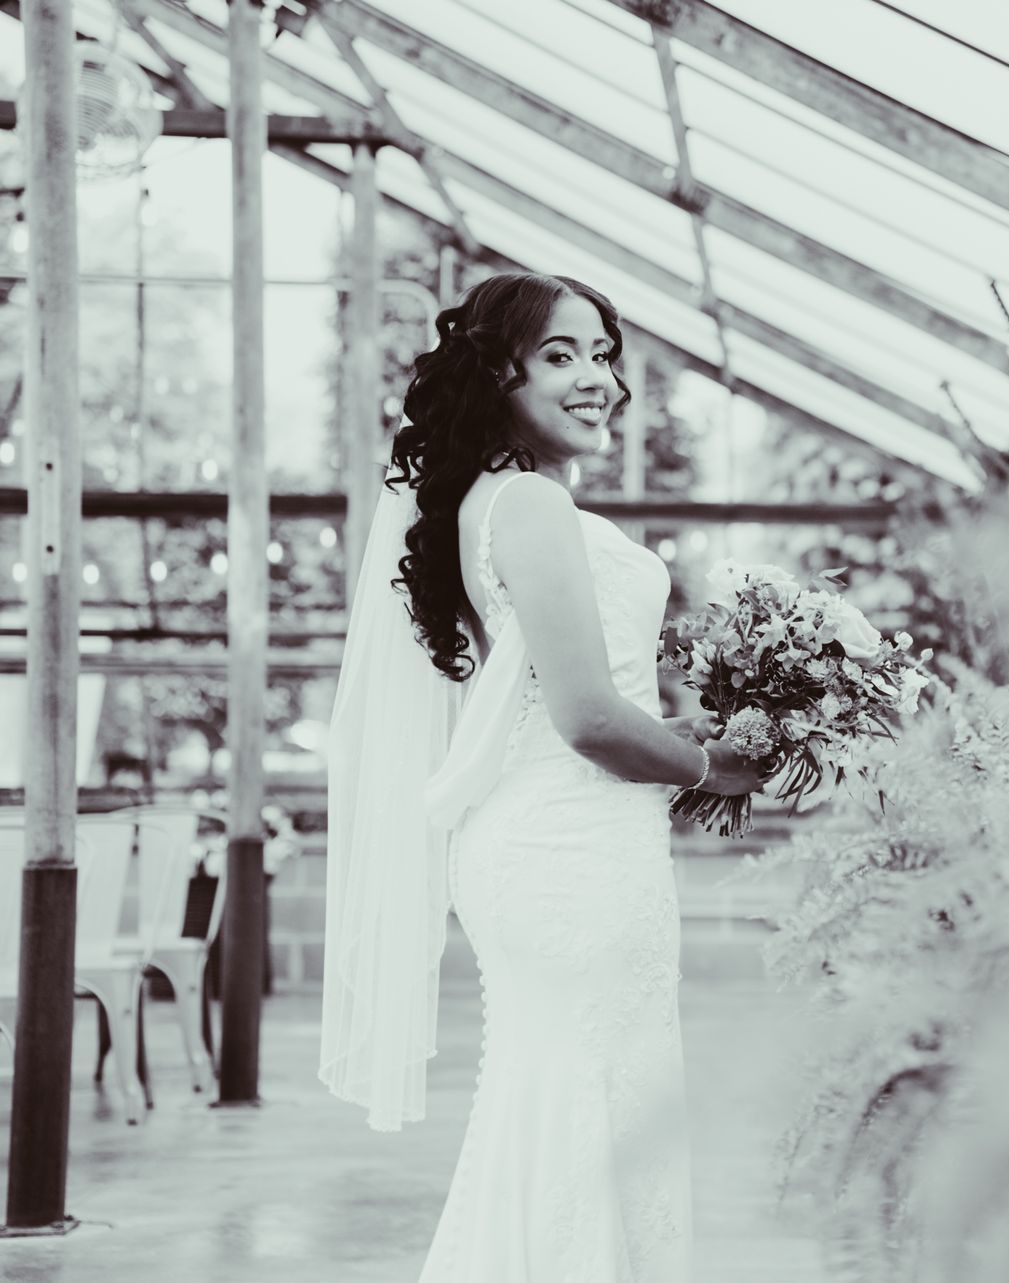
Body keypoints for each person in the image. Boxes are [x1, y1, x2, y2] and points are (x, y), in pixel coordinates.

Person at [320, 273, 764, 1283]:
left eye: (602, 354)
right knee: (587, 1107)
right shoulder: (526, 503)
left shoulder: (505, 501)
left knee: (565, 1103)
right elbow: (586, 716)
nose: (596, 378)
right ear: (497, 375)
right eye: (561, 356)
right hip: (568, 854)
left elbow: (561, 695)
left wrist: (693, 732)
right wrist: (713, 765)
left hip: (564, 839)